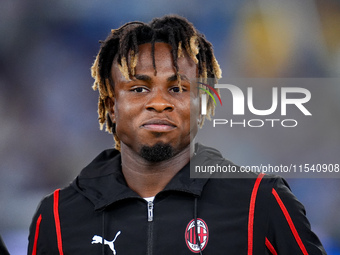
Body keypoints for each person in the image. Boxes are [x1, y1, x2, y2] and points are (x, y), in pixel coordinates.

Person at [28, 15, 326, 254]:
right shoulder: (57, 216)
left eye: (177, 88)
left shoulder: (260, 202)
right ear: (111, 106)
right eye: (139, 88)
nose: (159, 103)